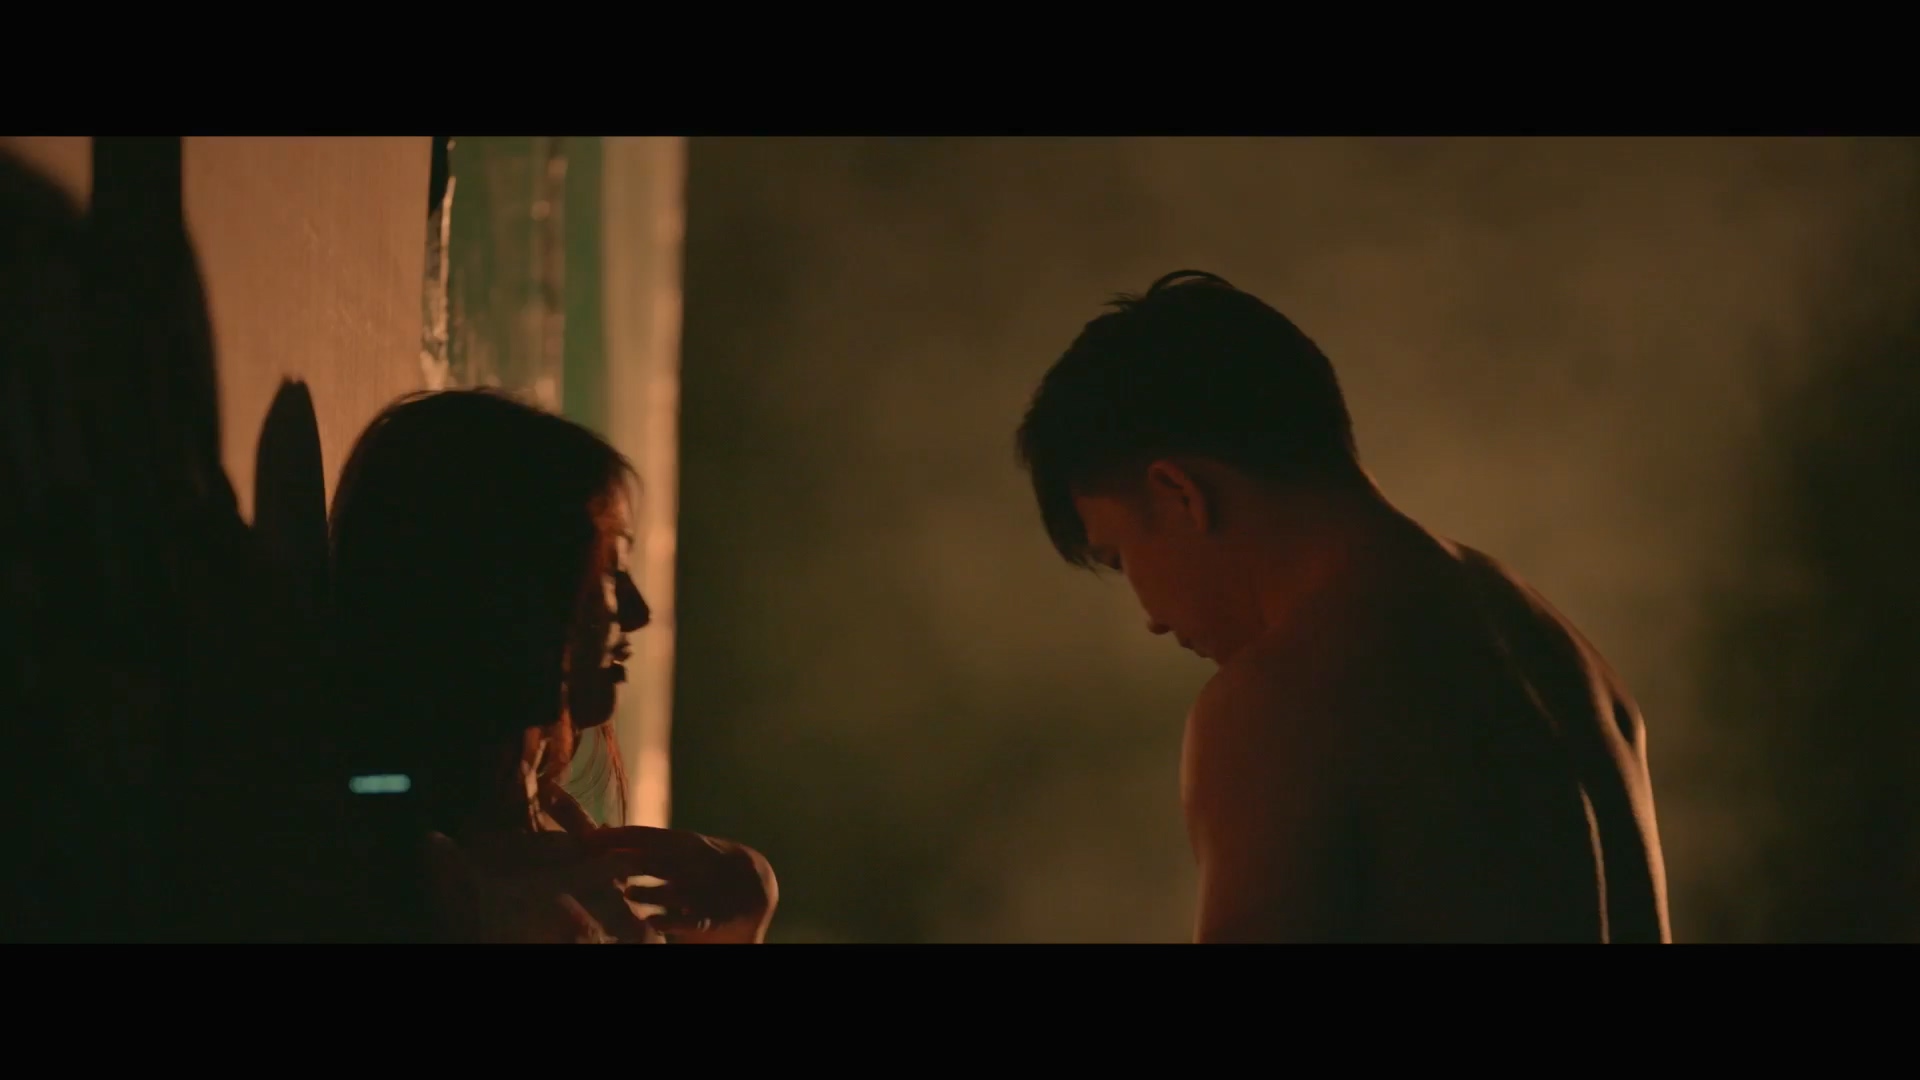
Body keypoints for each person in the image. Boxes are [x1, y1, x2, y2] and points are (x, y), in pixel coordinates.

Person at [1014, 270, 1672, 943]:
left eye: (1120, 557)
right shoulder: (1566, 658)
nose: (1151, 618)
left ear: (1179, 493)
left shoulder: (1280, 704)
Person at [328, 388, 777, 943]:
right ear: (518, 595)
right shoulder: (408, 884)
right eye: (610, 570)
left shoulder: (519, 866)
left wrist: (741, 928)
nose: (637, 612)